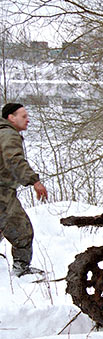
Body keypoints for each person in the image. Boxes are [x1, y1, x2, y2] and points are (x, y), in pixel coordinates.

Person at [0, 103, 48, 276]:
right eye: (23, 116)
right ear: (11, 118)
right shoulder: (9, 135)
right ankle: (21, 270)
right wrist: (34, 181)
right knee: (22, 230)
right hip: (2, 192)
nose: (28, 120)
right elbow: (14, 161)